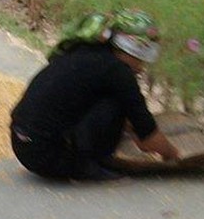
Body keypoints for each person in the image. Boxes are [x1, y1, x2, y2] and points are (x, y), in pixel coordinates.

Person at [10, 9, 181, 181]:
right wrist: (172, 154)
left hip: (22, 146)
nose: (142, 67)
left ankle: (79, 156)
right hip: (52, 160)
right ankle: (86, 166)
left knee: (110, 100)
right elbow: (147, 140)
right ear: (136, 50)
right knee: (117, 104)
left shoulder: (85, 51)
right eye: (142, 59)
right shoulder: (118, 72)